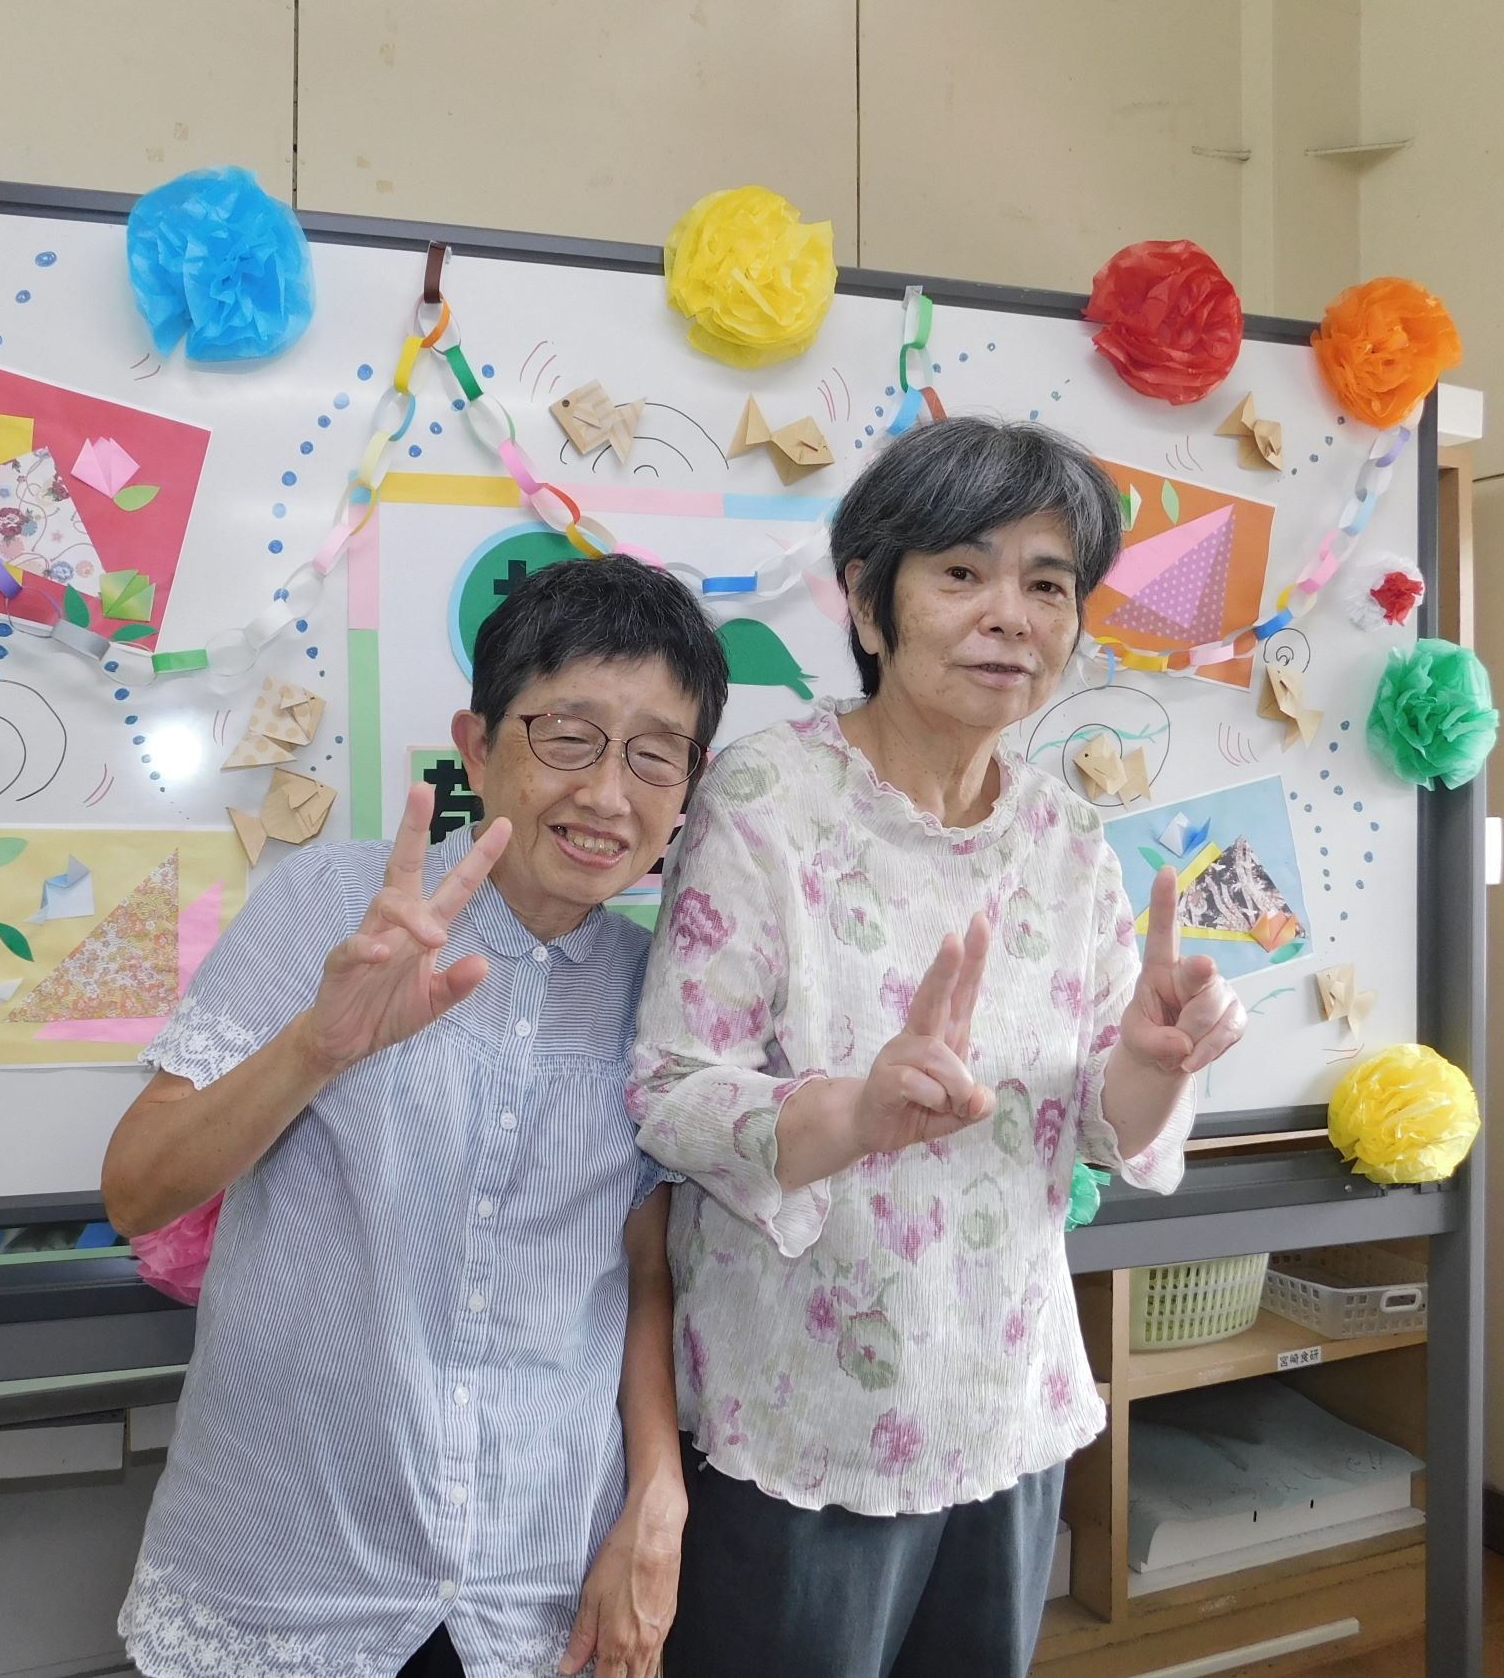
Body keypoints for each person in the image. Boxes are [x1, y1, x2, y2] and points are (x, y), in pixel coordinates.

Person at [629, 417, 1248, 1678]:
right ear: (868, 601)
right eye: (961, 573)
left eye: (1047, 584)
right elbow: (669, 1091)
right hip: (794, 1416)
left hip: (1005, 1400)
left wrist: (1153, 1062)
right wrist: (851, 1113)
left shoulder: (1069, 838)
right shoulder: (764, 799)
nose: (1008, 615)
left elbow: (1100, 1123)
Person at [103, 553, 730, 1678]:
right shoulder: (330, 907)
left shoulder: (661, 987)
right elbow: (137, 1188)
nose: (607, 794)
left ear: (688, 787)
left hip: (538, 1580)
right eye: (568, 736)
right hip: (290, 1567)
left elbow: (642, 1266)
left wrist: (656, 1494)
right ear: (477, 746)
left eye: (653, 754)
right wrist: (317, 1046)